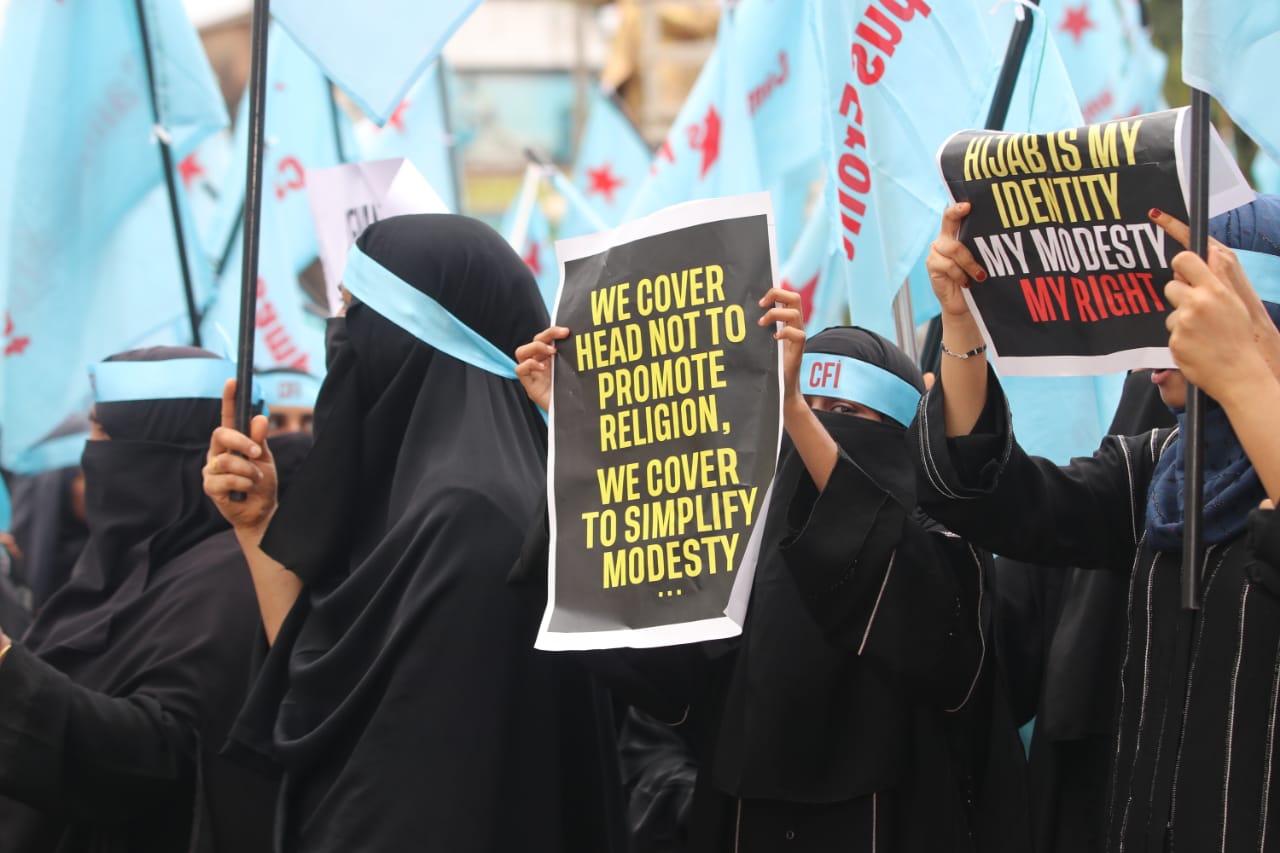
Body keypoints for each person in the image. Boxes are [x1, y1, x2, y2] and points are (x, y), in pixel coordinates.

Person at [514, 289, 1028, 852]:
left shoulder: (947, 543)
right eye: (804, 410)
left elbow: (929, 628)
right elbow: (663, 674)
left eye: (849, 415)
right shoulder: (735, 544)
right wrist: (577, 430)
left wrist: (799, 416)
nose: (818, 434)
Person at [203, 214, 626, 853]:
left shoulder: (469, 517)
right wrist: (258, 524)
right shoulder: (439, 503)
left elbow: (407, 794)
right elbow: (325, 690)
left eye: (353, 310)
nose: (338, 335)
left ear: (410, 334)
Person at [918, 200, 1280, 851]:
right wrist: (961, 324)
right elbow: (1005, 500)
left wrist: (1247, 374)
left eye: (1184, 308)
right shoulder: (1159, 470)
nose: (1154, 338)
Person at [0, 347, 275, 853]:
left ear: (154, 446)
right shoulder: (120, 568)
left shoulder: (227, 582)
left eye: (102, 432)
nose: (88, 450)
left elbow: (151, 761)